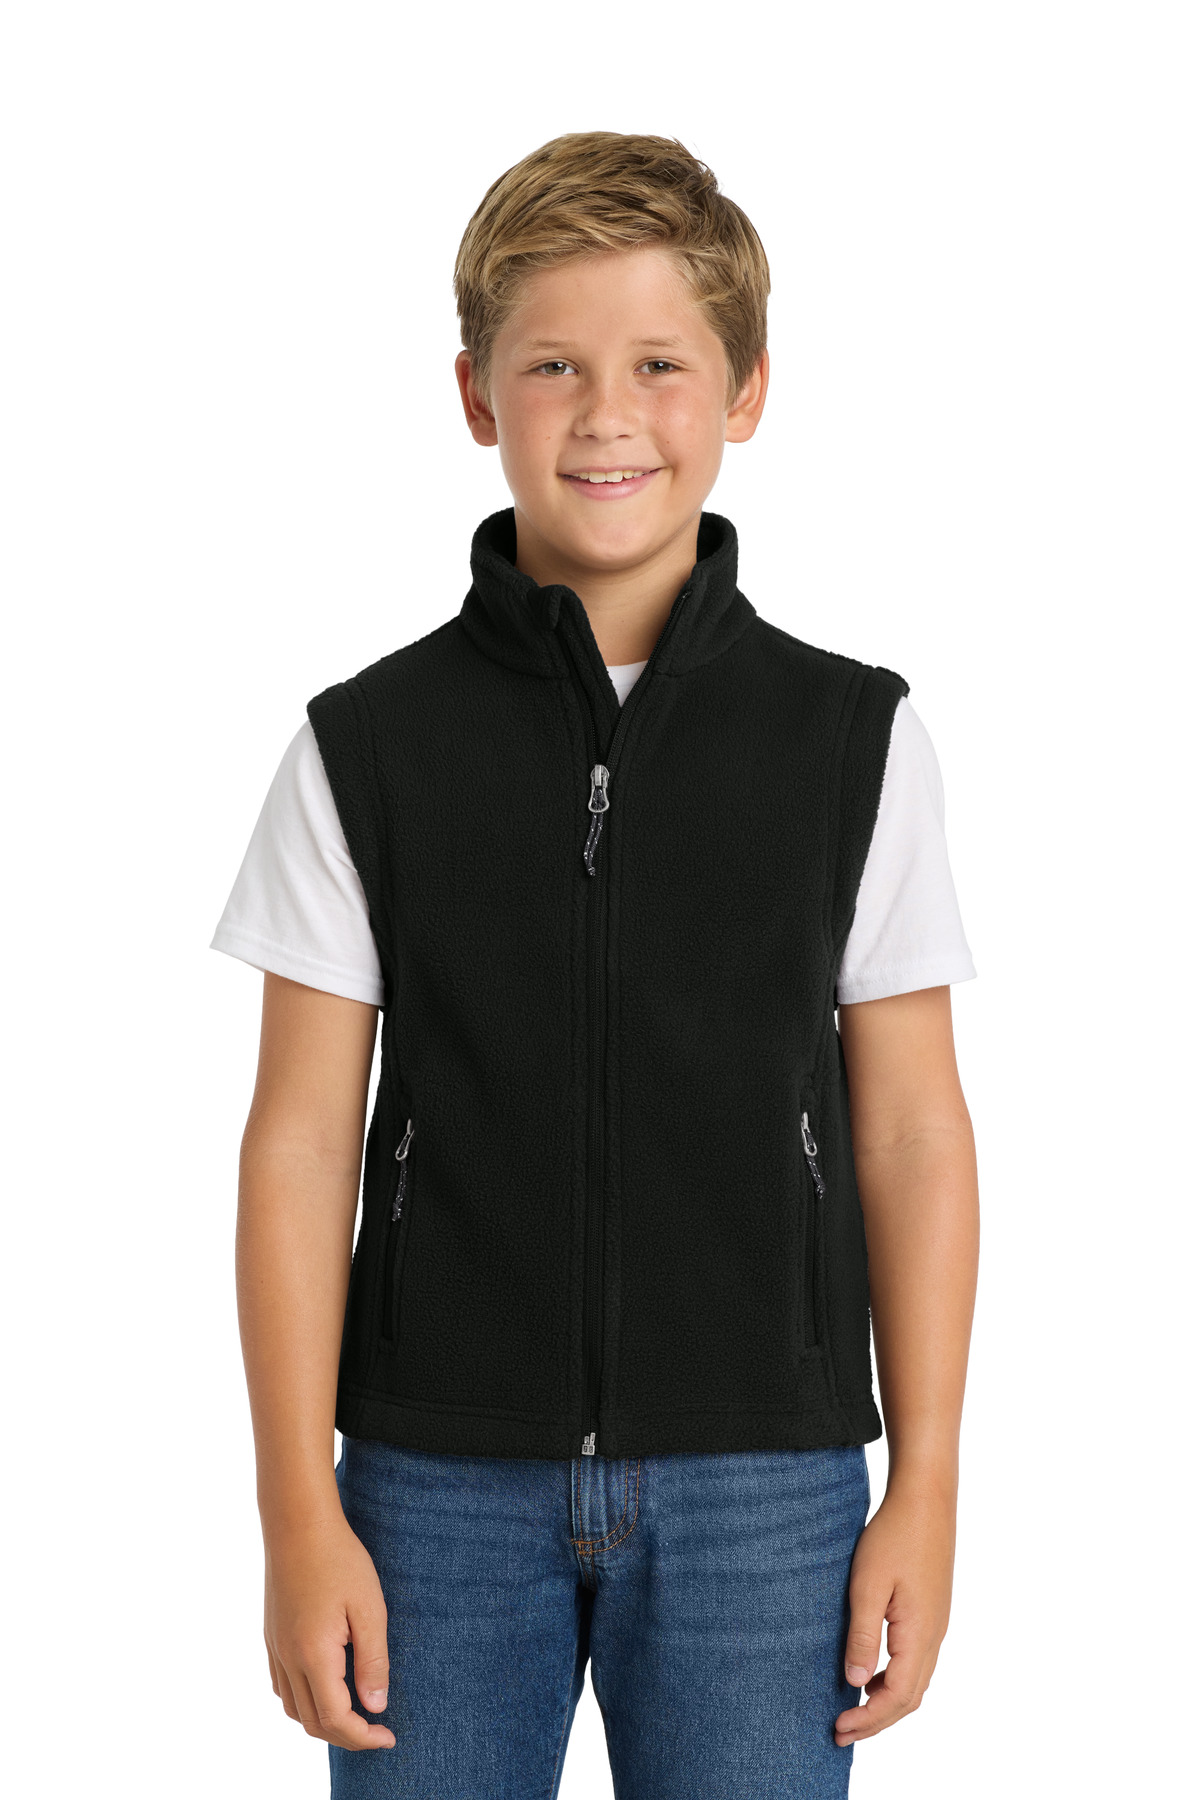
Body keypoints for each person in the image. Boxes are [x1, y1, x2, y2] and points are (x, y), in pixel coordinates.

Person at [212, 131, 979, 1799]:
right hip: (429, 1488)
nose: (607, 415)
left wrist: (925, 1483)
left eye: (659, 366)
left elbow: (914, 1129)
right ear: (476, 397)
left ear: (747, 391)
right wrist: (296, 1508)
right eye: (553, 365)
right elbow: (298, 1144)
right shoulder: (366, 748)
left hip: (763, 1493)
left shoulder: (851, 739)